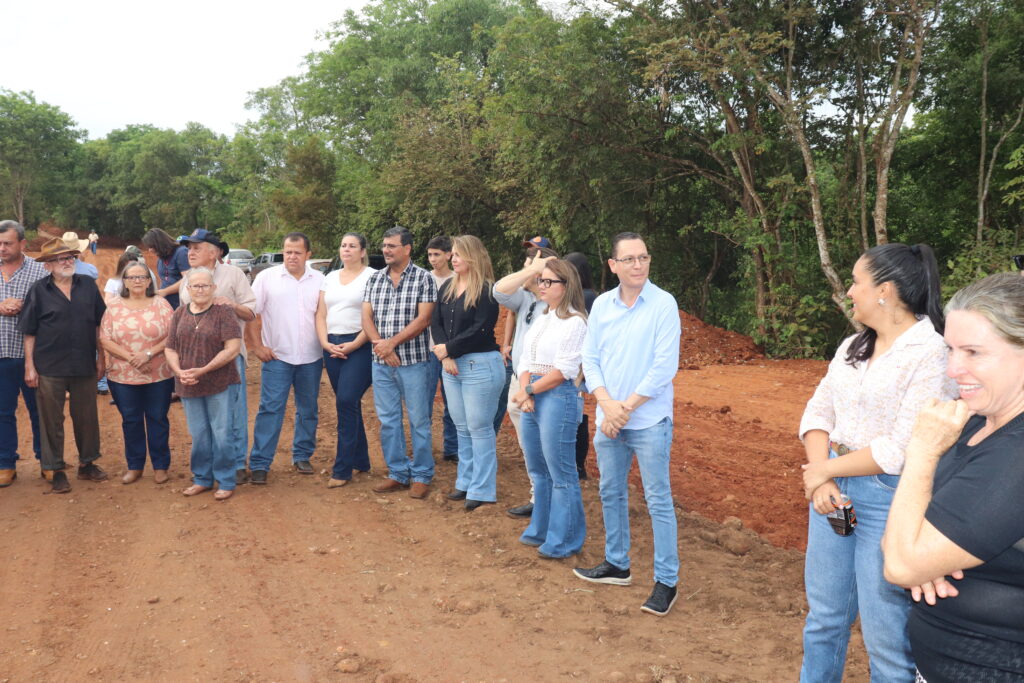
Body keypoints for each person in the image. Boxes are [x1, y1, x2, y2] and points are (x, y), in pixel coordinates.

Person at [797, 243, 957, 681]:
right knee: (823, 620)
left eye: (855, 282)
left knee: (886, 639)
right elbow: (817, 412)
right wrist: (822, 478)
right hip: (832, 492)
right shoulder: (853, 346)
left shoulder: (932, 352)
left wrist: (825, 471)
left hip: (890, 498)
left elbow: (902, 447)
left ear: (884, 290)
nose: (849, 291)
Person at [882, 272, 1024, 682]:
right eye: (950, 350)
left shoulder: (1016, 452)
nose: (952, 369)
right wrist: (920, 556)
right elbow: (897, 541)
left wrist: (922, 452)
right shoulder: (972, 423)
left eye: (973, 352)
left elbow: (900, 563)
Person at [574, 232, 681, 618]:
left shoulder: (664, 304)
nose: (638, 265)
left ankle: (666, 581)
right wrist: (606, 405)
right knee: (610, 492)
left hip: (649, 420)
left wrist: (626, 408)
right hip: (610, 420)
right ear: (613, 265)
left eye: (643, 257)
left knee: (658, 500)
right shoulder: (603, 305)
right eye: (630, 259)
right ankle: (617, 563)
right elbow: (590, 358)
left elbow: (664, 367)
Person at [510, 259, 588, 556]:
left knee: (561, 472)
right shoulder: (543, 316)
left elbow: (563, 371)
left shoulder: (575, 322)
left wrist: (528, 390)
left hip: (558, 396)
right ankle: (540, 529)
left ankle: (565, 539)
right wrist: (526, 393)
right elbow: (525, 360)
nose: (541, 286)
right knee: (538, 469)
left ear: (566, 286)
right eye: (540, 280)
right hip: (533, 394)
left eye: (548, 281)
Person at [19, 238, 108, 493]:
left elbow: (99, 324)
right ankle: (55, 469)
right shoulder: (38, 290)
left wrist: (101, 357)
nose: (68, 262)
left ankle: (87, 464)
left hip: (84, 362)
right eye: (61, 259)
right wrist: (29, 366)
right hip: (49, 366)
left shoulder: (88, 286)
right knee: (51, 420)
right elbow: (29, 331)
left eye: (70, 257)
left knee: (87, 417)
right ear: (48, 265)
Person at [362, 226, 437, 499]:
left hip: (414, 362)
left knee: (418, 420)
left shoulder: (424, 278)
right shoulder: (374, 278)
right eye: (384, 245)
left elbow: (424, 319)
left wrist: (390, 344)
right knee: (388, 420)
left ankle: (422, 475)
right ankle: (397, 472)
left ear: (407, 249)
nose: (386, 250)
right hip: (381, 362)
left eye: (392, 246)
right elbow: (366, 317)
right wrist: (382, 347)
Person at [431, 235, 504, 510]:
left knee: (479, 428)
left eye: (459, 254)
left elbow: (481, 329)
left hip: (480, 365)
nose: (454, 258)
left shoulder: (487, 290)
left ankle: (482, 489)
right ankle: (465, 482)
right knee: (461, 427)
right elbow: (436, 322)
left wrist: (449, 350)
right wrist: (446, 353)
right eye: (453, 254)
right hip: (451, 365)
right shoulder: (448, 286)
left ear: (473, 256)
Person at [246, 233, 325, 485]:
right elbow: (250, 314)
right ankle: (260, 463)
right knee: (270, 409)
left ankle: (302, 455)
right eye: (287, 251)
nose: (291, 256)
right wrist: (257, 347)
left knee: (308, 409)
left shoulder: (320, 280)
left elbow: (324, 317)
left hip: (311, 357)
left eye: (297, 252)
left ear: (308, 255)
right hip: (277, 357)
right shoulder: (267, 278)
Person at [178, 229, 255, 483]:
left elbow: (251, 311)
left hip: (229, 355)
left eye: (196, 248)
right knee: (201, 417)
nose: (190, 253)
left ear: (214, 252)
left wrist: (231, 305)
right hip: (195, 358)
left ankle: (237, 463)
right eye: (189, 248)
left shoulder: (234, 274)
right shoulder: (188, 278)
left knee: (232, 412)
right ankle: (210, 466)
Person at [493, 240, 559, 519]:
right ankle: (538, 496)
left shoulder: (557, 302)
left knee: (547, 444)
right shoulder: (525, 298)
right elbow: (498, 290)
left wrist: (538, 269)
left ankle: (550, 499)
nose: (524, 269)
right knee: (528, 444)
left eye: (529, 265)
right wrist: (530, 271)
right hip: (520, 381)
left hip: (545, 384)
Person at [165, 267, 242, 500]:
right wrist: (179, 371)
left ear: (213, 288)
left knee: (222, 433)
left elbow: (232, 348)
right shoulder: (179, 313)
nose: (200, 290)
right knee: (199, 434)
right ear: (188, 289)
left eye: (205, 285)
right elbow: (170, 348)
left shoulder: (224, 313)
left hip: (220, 383)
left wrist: (204, 369)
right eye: (195, 286)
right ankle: (202, 478)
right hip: (189, 383)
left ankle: (226, 480)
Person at [99, 262, 175, 484]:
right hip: (123, 375)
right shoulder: (113, 307)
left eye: (142, 276)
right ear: (124, 282)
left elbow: (172, 335)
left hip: (158, 373)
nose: (137, 281)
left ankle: (160, 465)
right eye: (132, 277)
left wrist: (147, 354)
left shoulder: (161, 305)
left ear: (149, 280)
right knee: (131, 420)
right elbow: (105, 339)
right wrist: (133, 358)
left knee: (158, 418)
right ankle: (135, 466)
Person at [316, 232, 376, 488]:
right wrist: (324, 342)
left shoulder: (372, 276)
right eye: (343, 245)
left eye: (352, 246)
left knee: (346, 401)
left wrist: (355, 344)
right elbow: (321, 314)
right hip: (331, 346)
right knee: (348, 404)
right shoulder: (329, 277)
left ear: (362, 251)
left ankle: (342, 469)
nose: (347, 249)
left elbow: (374, 317)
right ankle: (360, 460)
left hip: (359, 345)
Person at [0, 220, 47, 487]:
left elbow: (52, 306)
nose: (2, 248)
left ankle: (47, 461)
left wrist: (26, 307)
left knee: (40, 410)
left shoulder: (39, 271)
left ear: (22, 243)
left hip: (34, 356)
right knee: (2, 412)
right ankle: (5, 463)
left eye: (7, 243)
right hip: (1, 355)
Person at [564, 251, 598, 480]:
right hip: (579, 362)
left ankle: (577, 465)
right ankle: (578, 465)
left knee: (575, 412)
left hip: (577, 363)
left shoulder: (585, 297)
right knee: (578, 411)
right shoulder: (590, 295)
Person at [426, 235, 459, 461]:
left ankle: (452, 448)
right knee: (425, 401)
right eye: (430, 255)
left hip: (452, 350)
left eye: (437, 254)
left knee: (453, 402)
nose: (433, 259)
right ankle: (424, 448)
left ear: (448, 255)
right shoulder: (424, 279)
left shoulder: (459, 279)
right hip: (427, 350)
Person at [142, 228, 191, 309]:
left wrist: (165, 291)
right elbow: (165, 281)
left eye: (151, 247)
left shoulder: (181, 252)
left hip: (181, 306)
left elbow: (188, 280)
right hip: (166, 306)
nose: (150, 250)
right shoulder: (160, 260)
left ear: (159, 243)